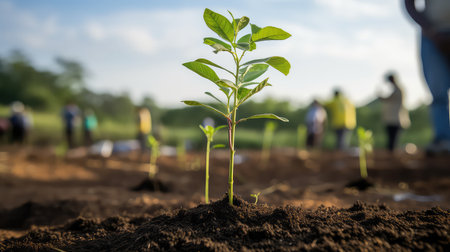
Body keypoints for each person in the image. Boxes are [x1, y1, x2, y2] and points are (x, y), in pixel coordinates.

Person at [404, 0, 450, 154]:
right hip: (433, 36)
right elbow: (409, 3)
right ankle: (443, 139)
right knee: (438, 93)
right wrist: (431, 31)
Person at [378, 72, 411, 152]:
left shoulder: (398, 90)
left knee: (392, 141)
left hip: (395, 119)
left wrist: (380, 96)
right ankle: (391, 157)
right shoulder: (398, 89)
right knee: (392, 141)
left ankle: (391, 159)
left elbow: (388, 99)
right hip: (394, 119)